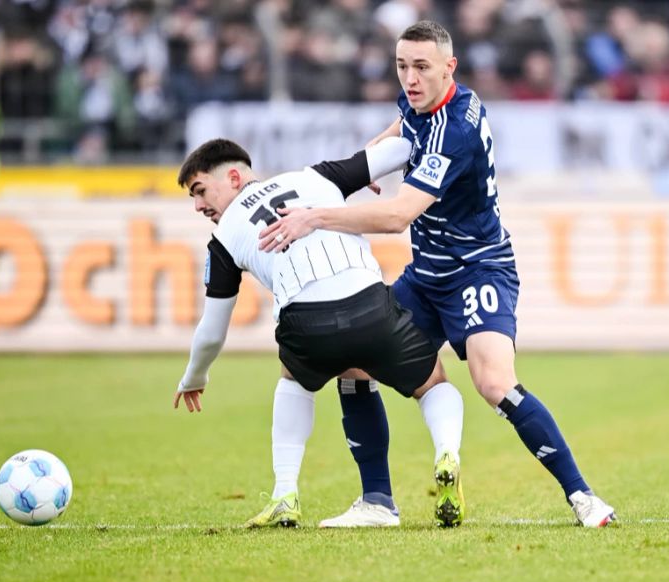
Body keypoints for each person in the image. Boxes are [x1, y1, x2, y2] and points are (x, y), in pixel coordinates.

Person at [259, 20, 616, 527]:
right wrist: (371, 166)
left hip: (478, 269)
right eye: (402, 66)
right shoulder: (420, 100)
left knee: (494, 382)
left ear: (450, 67)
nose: (410, 78)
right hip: (424, 277)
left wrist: (313, 216)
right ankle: (378, 502)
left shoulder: (456, 129)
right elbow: (398, 130)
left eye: (421, 67)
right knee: (354, 364)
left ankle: (583, 497)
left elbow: (396, 217)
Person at [173, 137, 466, 528]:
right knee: (432, 383)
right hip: (368, 305)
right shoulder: (318, 176)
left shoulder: (223, 237)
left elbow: (212, 331)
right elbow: (397, 151)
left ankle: (286, 494)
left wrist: (196, 375)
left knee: (293, 383)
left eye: (200, 191)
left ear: (232, 176)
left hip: (305, 326)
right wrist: (395, 139)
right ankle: (446, 452)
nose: (198, 206)